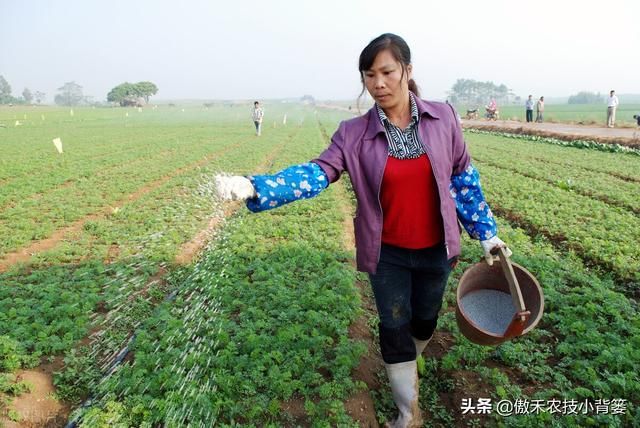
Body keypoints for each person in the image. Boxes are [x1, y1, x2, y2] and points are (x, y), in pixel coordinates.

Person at [215, 33, 511, 428]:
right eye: (369, 75)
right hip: (387, 252)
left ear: (407, 70)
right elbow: (319, 172)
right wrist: (259, 186)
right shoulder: (352, 133)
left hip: (436, 249)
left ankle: (413, 358)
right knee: (393, 324)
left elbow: (463, 180)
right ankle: (408, 411)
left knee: (423, 320)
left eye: (387, 72)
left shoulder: (444, 119)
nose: (378, 84)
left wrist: (487, 233)